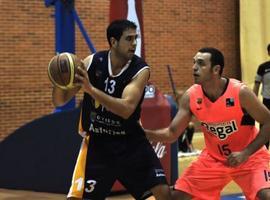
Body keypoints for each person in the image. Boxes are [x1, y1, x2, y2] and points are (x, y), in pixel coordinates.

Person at [52, 19, 171, 200]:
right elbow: (59, 101)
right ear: (113, 42)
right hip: (99, 144)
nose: (134, 44)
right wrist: (61, 80)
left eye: (135, 38)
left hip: (131, 142)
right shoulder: (92, 62)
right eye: (129, 39)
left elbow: (126, 108)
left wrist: (91, 90)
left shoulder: (140, 70)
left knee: (163, 193)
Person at [145, 47, 270, 200]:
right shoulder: (191, 96)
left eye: (201, 63)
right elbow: (172, 134)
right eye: (194, 63)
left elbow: (268, 121)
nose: (194, 67)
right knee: (173, 197)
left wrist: (246, 153)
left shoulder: (240, 92)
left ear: (216, 69)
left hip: (250, 158)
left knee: (266, 196)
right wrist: (144, 133)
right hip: (213, 159)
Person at [253, 43, 270, 148]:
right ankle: (264, 150)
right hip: (267, 100)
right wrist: (253, 101)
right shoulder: (263, 67)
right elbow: (256, 84)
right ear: (268, 53)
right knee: (265, 125)